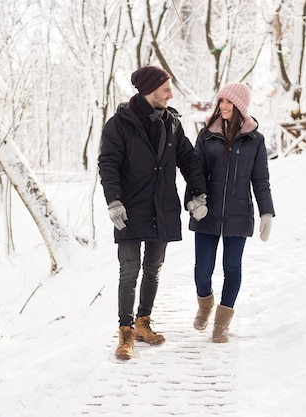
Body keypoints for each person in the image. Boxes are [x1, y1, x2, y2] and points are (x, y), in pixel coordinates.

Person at [98, 66, 208, 360]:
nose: (171, 95)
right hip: (130, 209)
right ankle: (125, 332)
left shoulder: (171, 123)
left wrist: (198, 193)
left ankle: (143, 323)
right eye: (165, 90)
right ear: (148, 91)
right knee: (129, 270)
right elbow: (108, 164)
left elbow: (188, 159)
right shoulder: (119, 125)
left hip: (162, 207)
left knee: (154, 269)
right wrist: (114, 201)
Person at [186, 82, 275, 343]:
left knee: (232, 267)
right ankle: (205, 306)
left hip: (238, 214)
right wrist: (195, 202)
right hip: (207, 213)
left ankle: (221, 324)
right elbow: (195, 174)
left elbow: (261, 180)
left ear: (240, 107)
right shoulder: (206, 135)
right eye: (221, 101)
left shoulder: (254, 140)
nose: (223, 106)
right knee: (203, 269)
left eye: (228, 102)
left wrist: (266, 213)